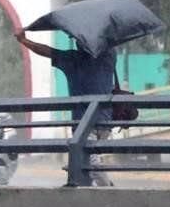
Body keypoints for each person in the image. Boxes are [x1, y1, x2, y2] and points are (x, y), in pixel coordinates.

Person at [15, 29, 115, 186]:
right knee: (88, 161)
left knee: (91, 163)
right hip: (103, 121)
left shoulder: (72, 59)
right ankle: (91, 192)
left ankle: (109, 193)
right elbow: (48, 51)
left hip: (85, 122)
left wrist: (24, 41)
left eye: (77, 38)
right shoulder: (107, 56)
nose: (76, 41)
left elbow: (47, 51)